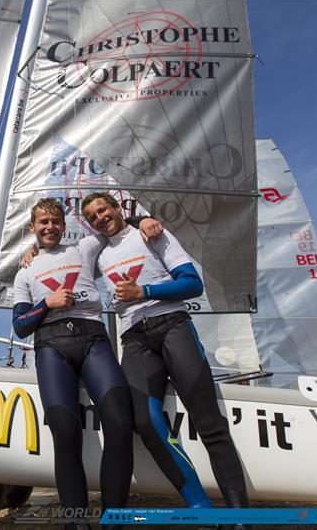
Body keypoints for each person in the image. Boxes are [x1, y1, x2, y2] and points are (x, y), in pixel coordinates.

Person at [80, 192, 249, 513]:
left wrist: (144, 291)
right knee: (145, 422)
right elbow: (64, 259)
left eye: (103, 210)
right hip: (135, 339)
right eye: (92, 217)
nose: (100, 217)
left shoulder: (152, 233)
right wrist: (33, 253)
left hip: (172, 326)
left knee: (209, 422)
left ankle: (240, 515)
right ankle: (200, 508)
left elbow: (192, 284)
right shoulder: (99, 251)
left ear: (117, 208)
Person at [12, 198, 161, 529]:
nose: (49, 227)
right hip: (52, 348)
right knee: (65, 433)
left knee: (120, 424)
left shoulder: (83, 249)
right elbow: (21, 325)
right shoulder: (24, 271)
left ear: (64, 226)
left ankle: (114, 520)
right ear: (32, 228)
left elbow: (115, 223)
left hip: (93, 340)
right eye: (42, 222)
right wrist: (47, 304)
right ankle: (75, 523)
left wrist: (145, 220)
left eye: (55, 221)